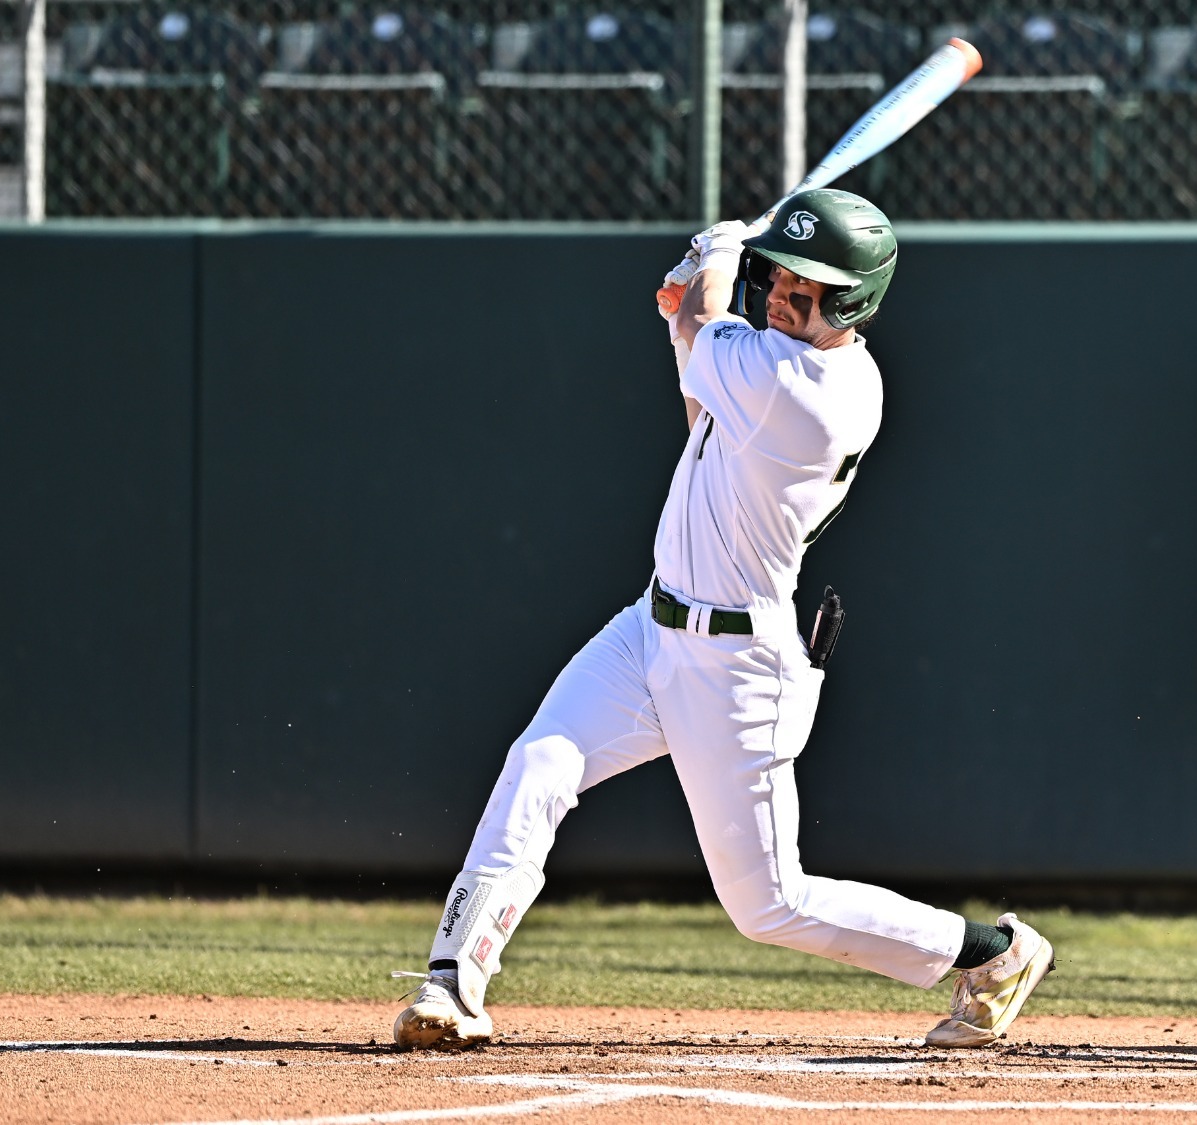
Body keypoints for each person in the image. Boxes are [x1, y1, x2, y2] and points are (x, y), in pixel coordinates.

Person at [387, 188, 1054, 1052]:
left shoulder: (810, 389)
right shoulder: (771, 365)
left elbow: (709, 328)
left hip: (742, 668)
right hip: (650, 630)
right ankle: (453, 981)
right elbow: (702, 408)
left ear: (852, 303)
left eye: (806, 287)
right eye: (778, 275)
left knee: (769, 904)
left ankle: (993, 953)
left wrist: (718, 253)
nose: (781, 294)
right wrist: (696, 300)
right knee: (538, 763)